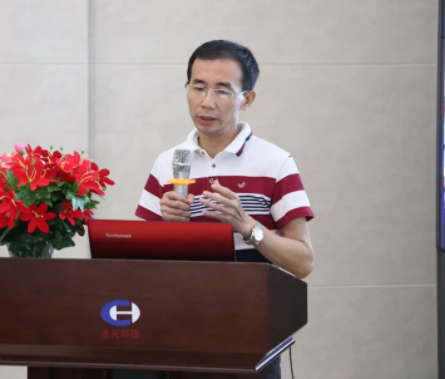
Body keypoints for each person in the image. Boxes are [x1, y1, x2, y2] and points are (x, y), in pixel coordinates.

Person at [135, 39, 315, 280]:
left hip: (252, 300)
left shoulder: (276, 162)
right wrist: (168, 228)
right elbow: (139, 262)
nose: (206, 102)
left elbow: (303, 263)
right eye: (198, 87)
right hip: (183, 298)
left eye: (222, 91)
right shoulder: (167, 162)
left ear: (247, 99)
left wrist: (246, 225)